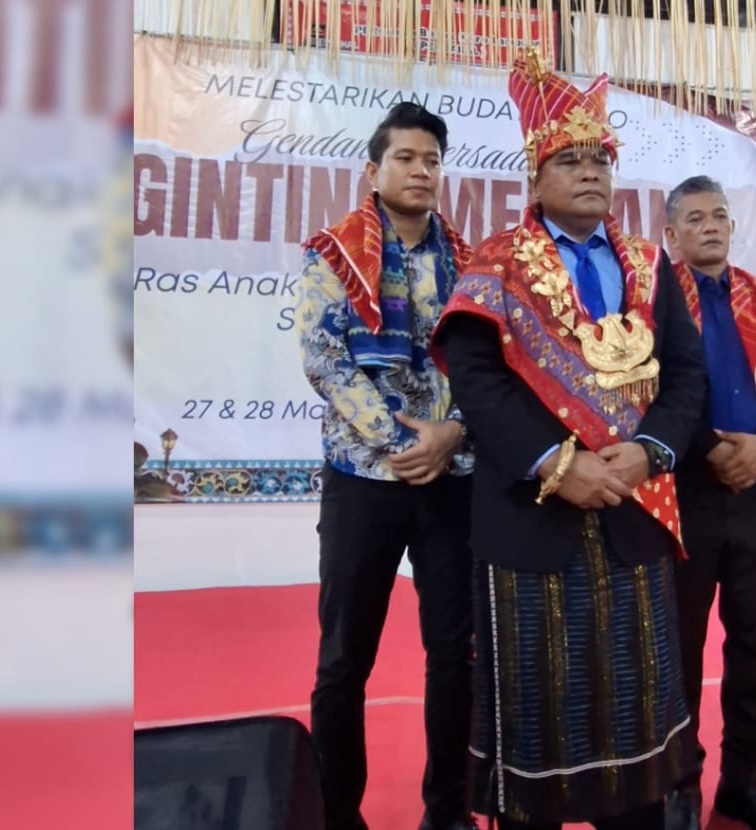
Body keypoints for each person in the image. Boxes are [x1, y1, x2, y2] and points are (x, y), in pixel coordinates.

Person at [430, 50, 708, 830]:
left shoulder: (650, 266)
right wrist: (556, 462)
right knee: (536, 720)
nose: (590, 172)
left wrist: (648, 452)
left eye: (600, 159)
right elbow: (477, 381)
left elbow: (686, 376)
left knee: (637, 713)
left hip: (633, 509)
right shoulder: (495, 263)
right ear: (534, 175)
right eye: (569, 160)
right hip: (531, 519)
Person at [296, 101, 477, 830]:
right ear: (373, 171)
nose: (420, 171)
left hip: (452, 480)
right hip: (363, 480)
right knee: (344, 660)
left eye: (432, 160)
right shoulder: (332, 253)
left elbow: (485, 362)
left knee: (457, 654)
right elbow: (323, 359)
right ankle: (338, 814)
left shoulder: (470, 263)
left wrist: (452, 433)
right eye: (405, 158)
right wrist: (398, 441)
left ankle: (449, 812)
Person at [660, 176, 756, 830]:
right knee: (678, 651)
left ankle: (744, 786)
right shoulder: (653, 301)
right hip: (685, 497)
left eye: (719, 215)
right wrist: (711, 451)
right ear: (671, 234)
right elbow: (649, 392)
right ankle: (679, 789)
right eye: (695, 218)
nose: (711, 226)